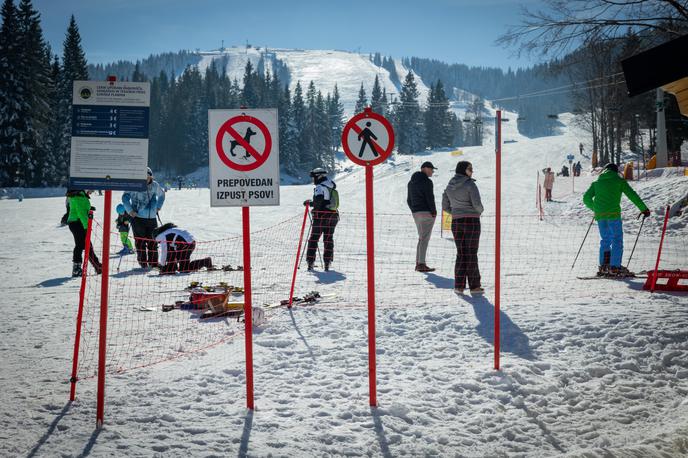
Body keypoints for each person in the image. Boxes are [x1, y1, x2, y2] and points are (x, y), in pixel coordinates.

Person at [583, 163, 650, 277]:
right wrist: (643, 209)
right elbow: (632, 195)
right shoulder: (619, 181)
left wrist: (595, 208)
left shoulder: (597, 183)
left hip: (600, 216)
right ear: (615, 171)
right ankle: (615, 267)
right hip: (613, 215)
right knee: (617, 239)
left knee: (605, 240)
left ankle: (604, 266)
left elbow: (586, 198)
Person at [442, 161, 484, 295]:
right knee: (471, 253)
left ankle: (459, 286)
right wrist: (478, 211)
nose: (472, 171)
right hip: (471, 220)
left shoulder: (449, 186)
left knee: (461, 253)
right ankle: (475, 286)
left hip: (456, 221)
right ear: (463, 170)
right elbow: (477, 204)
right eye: (470, 169)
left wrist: (455, 212)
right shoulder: (470, 184)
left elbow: (445, 205)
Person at [122, 167, 166, 268]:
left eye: (148, 177)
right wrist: (130, 210)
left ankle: (153, 263)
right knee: (140, 242)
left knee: (153, 241)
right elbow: (125, 198)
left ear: (151, 177)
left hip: (152, 218)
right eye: (144, 177)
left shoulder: (155, 185)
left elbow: (162, 195)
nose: (146, 179)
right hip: (137, 218)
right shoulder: (134, 185)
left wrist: (158, 207)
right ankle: (143, 263)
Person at [304, 167, 339, 271]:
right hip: (333, 216)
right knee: (328, 239)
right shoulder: (330, 185)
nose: (313, 179)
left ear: (318, 176)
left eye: (313, 177)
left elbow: (319, 202)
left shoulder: (320, 187)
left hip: (321, 217)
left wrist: (310, 204)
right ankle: (327, 263)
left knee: (313, 239)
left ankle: (310, 262)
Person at [406, 161, 437, 272]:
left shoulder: (411, 182)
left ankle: (419, 263)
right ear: (424, 168)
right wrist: (433, 212)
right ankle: (421, 264)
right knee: (424, 239)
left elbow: (408, 200)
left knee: (421, 238)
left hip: (416, 213)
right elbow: (430, 198)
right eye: (431, 169)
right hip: (426, 212)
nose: (432, 171)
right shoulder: (427, 182)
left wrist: (414, 210)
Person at [66, 189, 102, 277]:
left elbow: (82, 208)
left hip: (78, 222)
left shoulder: (81, 196)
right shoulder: (79, 197)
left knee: (87, 245)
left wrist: (89, 208)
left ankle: (97, 266)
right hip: (77, 223)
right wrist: (87, 228)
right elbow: (81, 213)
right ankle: (76, 269)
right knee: (80, 244)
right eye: (90, 191)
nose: (91, 192)